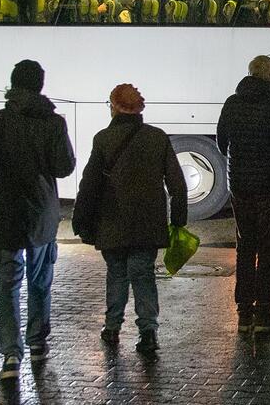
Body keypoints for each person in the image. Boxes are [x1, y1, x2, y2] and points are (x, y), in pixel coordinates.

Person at [0, 59, 76, 382]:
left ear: (12, 85)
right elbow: (64, 167)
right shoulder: (54, 123)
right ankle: (38, 342)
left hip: (6, 211)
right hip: (42, 213)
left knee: (8, 285)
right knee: (40, 282)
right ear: (41, 86)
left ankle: (10, 354)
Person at [73, 83, 187, 357]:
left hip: (112, 220)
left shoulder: (103, 139)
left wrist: (81, 220)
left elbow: (90, 184)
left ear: (114, 107)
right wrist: (178, 221)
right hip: (148, 223)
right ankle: (148, 331)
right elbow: (177, 185)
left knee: (117, 274)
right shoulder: (157, 138)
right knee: (143, 274)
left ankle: (112, 327)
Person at [216, 55, 270, 334]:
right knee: (268, 249)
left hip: (240, 186)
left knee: (245, 248)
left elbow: (221, 143)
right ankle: (265, 312)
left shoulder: (232, 104)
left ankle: (244, 314)